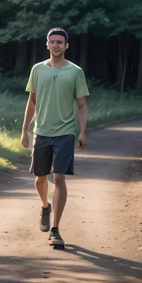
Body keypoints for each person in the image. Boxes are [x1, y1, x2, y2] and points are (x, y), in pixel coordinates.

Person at [20, 27, 89, 247]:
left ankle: (56, 230)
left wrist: (82, 130)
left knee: (59, 177)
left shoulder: (75, 72)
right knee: (41, 178)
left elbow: (81, 104)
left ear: (66, 46)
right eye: (52, 42)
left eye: (60, 42)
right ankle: (45, 206)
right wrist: (25, 130)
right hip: (42, 131)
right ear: (47, 45)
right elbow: (32, 101)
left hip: (65, 133)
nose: (56, 45)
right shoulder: (37, 70)